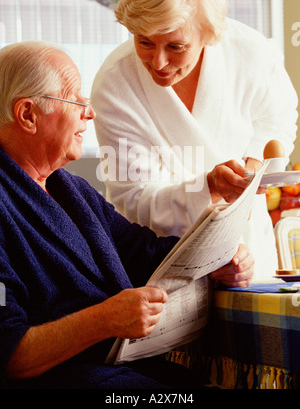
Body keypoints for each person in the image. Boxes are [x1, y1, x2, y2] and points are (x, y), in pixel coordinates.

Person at [0, 41, 254, 390]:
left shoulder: (71, 190)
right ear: (28, 114)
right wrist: (103, 321)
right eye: (77, 101)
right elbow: (9, 354)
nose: (89, 114)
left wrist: (217, 259)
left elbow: (142, 251)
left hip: (126, 370)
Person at [91, 0, 298, 280]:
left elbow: (279, 116)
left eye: (176, 46)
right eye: (143, 41)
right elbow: (134, 202)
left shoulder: (249, 52)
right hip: (160, 256)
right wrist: (209, 188)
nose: (158, 62)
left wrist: (252, 164)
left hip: (246, 242)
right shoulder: (115, 84)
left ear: (209, 35)